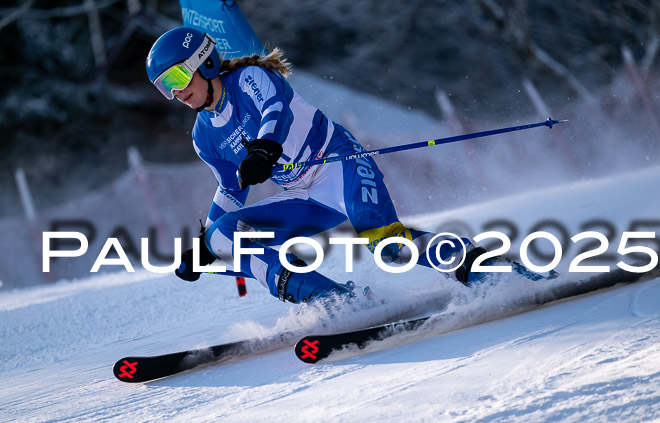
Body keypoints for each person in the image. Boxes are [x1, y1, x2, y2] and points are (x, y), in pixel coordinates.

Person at [145, 27, 539, 304]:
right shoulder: (204, 136)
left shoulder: (250, 78)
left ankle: (492, 271)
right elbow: (232, 188)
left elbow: (275, 110)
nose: (177, 91)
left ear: (205, 61)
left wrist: (264, 149)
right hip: (302, 193)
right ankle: (332, 301)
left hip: (337, 161)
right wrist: (203, 244)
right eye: (165, 86)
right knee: (224, 234)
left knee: (387, 244)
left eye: (179, 76)